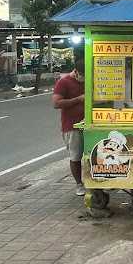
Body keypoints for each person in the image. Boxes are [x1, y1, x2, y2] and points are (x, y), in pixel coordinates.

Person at [52, 57, 85, 196]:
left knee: (94, 154)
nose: (84, 78)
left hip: (89, 124)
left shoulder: (89, 80)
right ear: (76, 71)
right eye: (83, 75)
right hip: (72, 126)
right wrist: (78, 99)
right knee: (76, 156)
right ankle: (79, 184)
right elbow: (56, 103)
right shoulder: (63, 82)